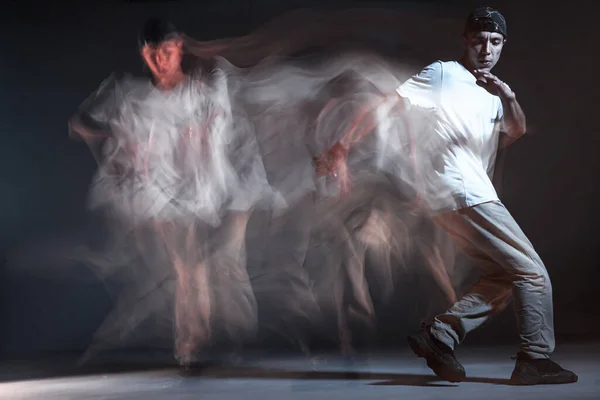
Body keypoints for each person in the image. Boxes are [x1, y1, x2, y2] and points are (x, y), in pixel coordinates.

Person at [314, 6, 577, 385]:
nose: (487, 50)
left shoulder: (491, 92)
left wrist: (508, 95)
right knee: (533, 273)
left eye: (495, 42)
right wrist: (341, 147)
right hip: (463, 192)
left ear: (503, 46)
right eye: (480, 40)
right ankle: (534, 359)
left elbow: (516, 130)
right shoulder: (442, 74)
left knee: (505, 276)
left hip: (457, 199)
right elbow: (386, 104)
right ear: (466, 40)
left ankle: (440, 334)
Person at [69, 17, 268, 366]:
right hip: (163, 194)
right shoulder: (138, 99)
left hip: (207, 192)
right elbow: (82, 124)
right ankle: (191, 343)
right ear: (144, 56)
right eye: (151, 54)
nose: (159, 60)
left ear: (178, 50)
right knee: (186, 268)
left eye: (166, 51)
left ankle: (203, 339)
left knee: (209, 267)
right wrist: (117, 144)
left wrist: (204, 140)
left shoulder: (202, 92)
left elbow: (221, 132)